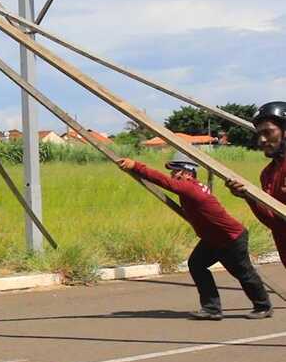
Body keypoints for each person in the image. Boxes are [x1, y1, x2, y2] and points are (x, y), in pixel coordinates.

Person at [119, 152, 272, 320]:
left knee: (243, 273)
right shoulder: (192, 187)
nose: (173, 175)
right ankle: (212, 309)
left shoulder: (190, 187)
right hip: (213, 239)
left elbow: (163, 181)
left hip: (230, 238)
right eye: (173, 171)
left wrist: (136, 166)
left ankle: (263, 306)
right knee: (197, 265)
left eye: (176, 171)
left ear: (188, 173)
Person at [227, 102, 286, 266]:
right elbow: (275, 222)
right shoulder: (267, 174)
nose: (262, 140)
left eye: (268, 132)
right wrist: (249, 197)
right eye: (259, 134)